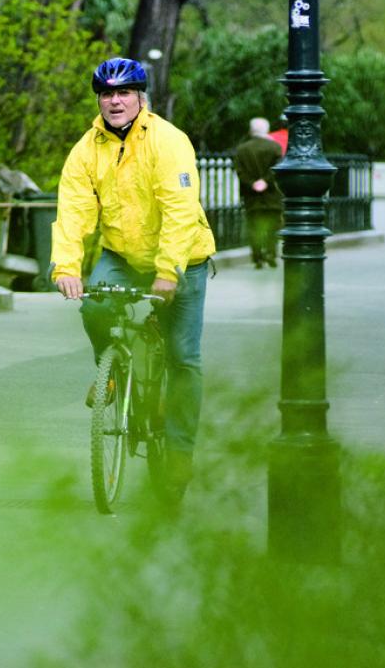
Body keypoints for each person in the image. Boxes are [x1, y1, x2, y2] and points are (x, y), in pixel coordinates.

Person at [50, 56, 216, 500]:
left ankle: (180, 452)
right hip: (122, 254)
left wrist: (169, 272)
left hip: (183, 259)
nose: (115, 101)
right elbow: (73, 212)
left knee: (184, 357)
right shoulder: (87, 149)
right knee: (94, 307)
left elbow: (180, 212)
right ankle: (110, 375)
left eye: (124, 93)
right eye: (107, 94)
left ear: (141, 98)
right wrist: (66, 266)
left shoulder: (169, 142)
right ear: (99, 100)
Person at [234, 117, 284, 268]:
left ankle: (257, 257)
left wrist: (252, 183)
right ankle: (270, 253)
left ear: (251, 130)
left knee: (253, 226)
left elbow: (240, 172)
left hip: (251, 196)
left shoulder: (242, 149)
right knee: (273, 225)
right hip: (271, 195)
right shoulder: (275, 147)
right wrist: (266, 181)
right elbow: (278, 169)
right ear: (266, 130)